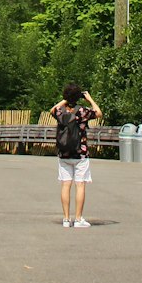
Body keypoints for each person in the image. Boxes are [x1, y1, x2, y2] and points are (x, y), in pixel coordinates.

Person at [51, 84, 102, 228]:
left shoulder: (60, 112)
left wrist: (64, 100)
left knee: (65, 184)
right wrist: (89, 99)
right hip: (80, 153)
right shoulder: (82, 111)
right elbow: (98, 113)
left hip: (64, 153)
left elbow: (52, 109)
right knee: (80, 185)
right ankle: (78, 219)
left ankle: (66, 219)